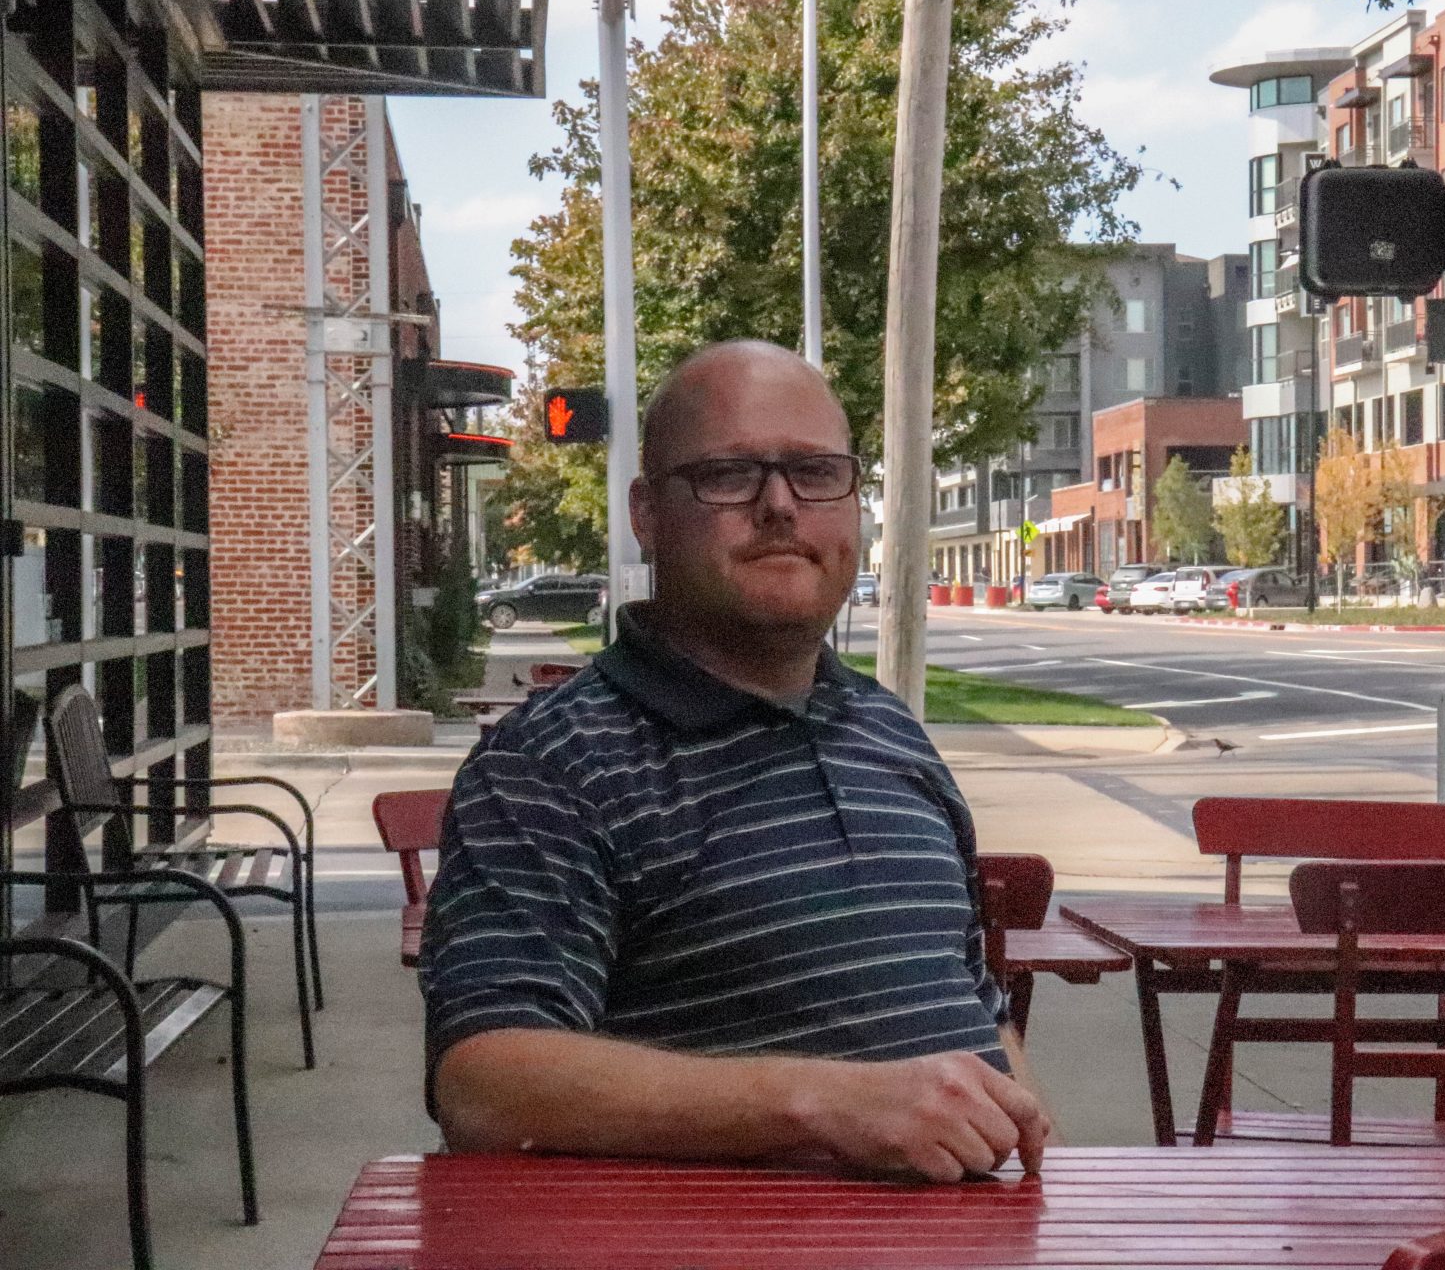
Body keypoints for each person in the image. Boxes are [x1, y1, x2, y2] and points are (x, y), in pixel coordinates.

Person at [421, 340, 1050, 1183]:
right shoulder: (551, 763)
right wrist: (828, 1105)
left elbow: (971, 997)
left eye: (817, 472)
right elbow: (485, 1085)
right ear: (647, 511)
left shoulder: (892, 734)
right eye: (729, 474)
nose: (780, 506)